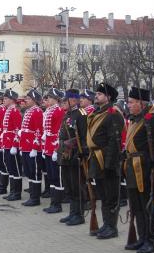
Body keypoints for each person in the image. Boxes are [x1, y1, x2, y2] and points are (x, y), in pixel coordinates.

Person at [124, 87, 154, 253]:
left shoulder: (152, 119)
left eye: (132, 102)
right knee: (136, 206)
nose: (129, 105)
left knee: (147, 205)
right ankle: (141, 238)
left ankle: (150, 240)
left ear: (141, 103)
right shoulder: (135, 119)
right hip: (133, 166)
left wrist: (152, 165)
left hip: (146, 168)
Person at [86, 83, 125, 239]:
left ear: (108, 97)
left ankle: (112, 227)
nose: (96, 96)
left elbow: (113, 142)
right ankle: (106, 224)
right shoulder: (98, 113)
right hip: (96, 158)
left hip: (106, 160)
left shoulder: (113, 113)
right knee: (102, 193)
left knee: (110, 194)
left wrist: (109, 164)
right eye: (96, 93)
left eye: (100, 94)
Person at [58, 89, 88, 225]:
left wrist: (79, 154)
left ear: (74, 100)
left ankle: (79, 214)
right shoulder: (68, 114)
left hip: (75, 155)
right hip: (65, 153)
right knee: (69, 185)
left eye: (67, 100)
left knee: (77, 186)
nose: (64, 102)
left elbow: (83, 137)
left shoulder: (81, 114)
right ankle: (72, 212)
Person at [42, 88, 65, 214]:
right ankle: (53, 202)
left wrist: (57, 149)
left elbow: (59, 132)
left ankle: (57, 204)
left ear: (56, 99)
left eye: (50, 97)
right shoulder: (49, 110)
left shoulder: (58, 111)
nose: (48, 99)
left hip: (54, 146)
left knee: (57, 177)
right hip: (48, 146)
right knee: (51, 176)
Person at [19, 88, 43, 206]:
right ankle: (32, 196)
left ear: (34, 100)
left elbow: (39, 130)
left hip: (33, 147)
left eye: (28, 98)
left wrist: (35, 147)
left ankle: (35, 198)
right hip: (26, 146)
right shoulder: (29, 111)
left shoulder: (37, 111)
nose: (26, 100)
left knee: (35, 172)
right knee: (29, 172)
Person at [0, 89, 23, 201]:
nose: (3, 100)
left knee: (15, 168)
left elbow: (17, 130)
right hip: (7, 142)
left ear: (12, 100)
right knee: (10, 168)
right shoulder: (8, 111)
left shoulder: (15, 112)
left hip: (12, 144)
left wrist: (15, 144)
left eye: (5, 99)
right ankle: (12, 191)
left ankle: (17, 193)